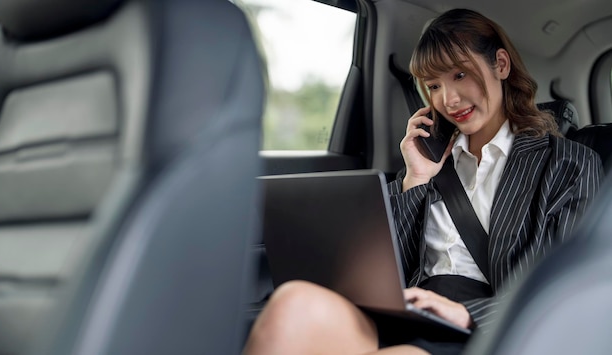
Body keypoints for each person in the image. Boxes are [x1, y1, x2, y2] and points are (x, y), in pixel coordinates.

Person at [243, 8, 602, 355]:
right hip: (413, 310)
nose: (449, 99)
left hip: (488, 330)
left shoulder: (568, 164)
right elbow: (383, 267)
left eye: (460, 75)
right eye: (433, 85)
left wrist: (467, 314)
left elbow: (564, 287)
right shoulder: (430, 159)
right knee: (292, 305)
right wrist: (415, 177)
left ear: (501, 65)